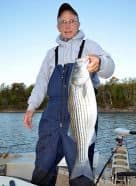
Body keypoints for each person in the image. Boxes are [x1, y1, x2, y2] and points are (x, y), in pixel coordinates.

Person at [24, 3, 115, 186]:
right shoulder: (51, 54)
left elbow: (109, 67)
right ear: (58, 26)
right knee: (43, 166)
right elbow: (41, 81)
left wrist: (99, 62)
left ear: (78, 24)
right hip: (51, 115)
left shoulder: (89, 45)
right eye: (63, 22)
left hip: (79, 115)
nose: (67, 25)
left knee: (81, 171)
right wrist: (31, 107)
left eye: (71, 21)